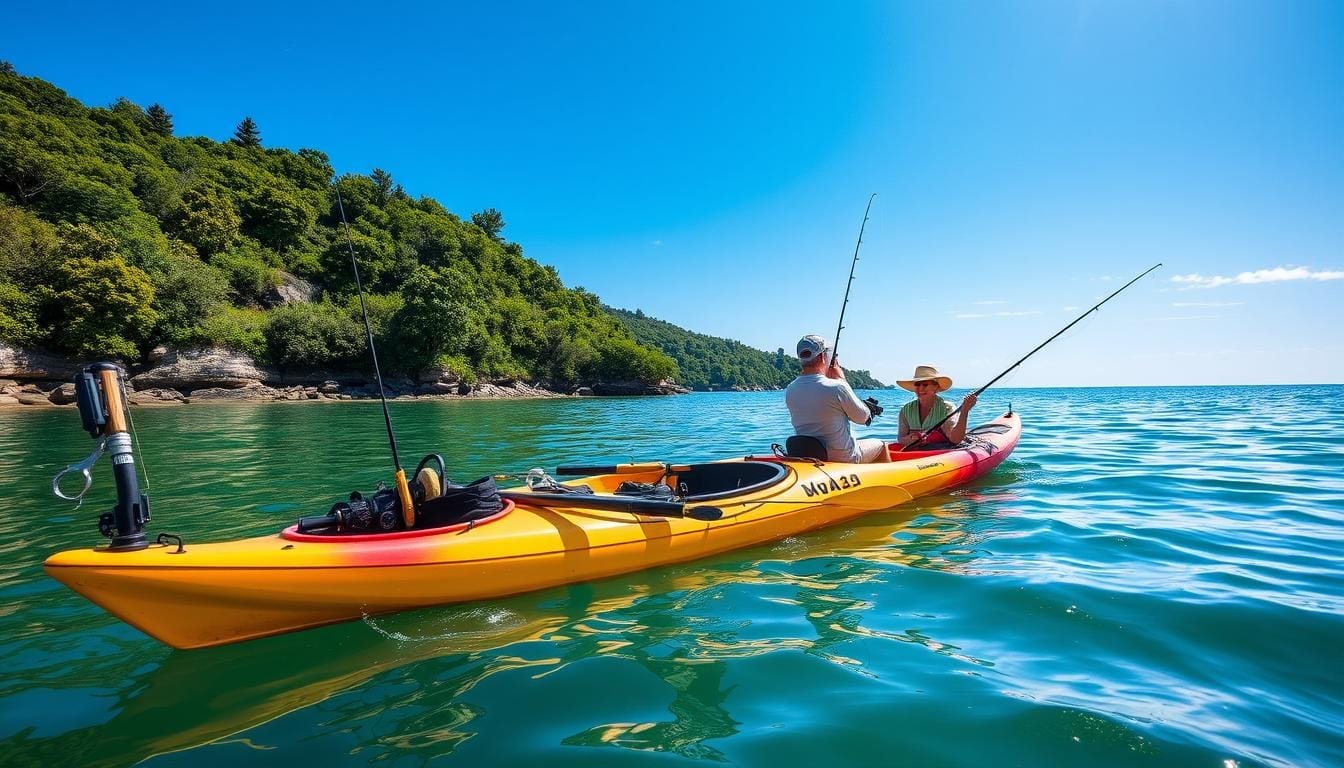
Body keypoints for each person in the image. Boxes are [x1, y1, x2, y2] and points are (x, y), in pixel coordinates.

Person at [784, 334, 889, 463]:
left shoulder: (790, 389)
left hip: (808, 457)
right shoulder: (837, 387)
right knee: (881, 445)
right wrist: (842, 380)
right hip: (843, 458)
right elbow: (863, 418)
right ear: (823, 357)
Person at [896, 364, 978, 448]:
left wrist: (965, 411)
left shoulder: (947, 408)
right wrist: (911, 439)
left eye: (925, 384)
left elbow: (955, 439)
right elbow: (901, 438)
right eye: (917, 384)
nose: (920, 388)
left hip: (940, 454)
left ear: (936, 387)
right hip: (915, 455)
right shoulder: (906, 410)